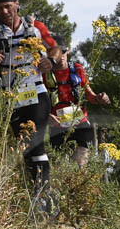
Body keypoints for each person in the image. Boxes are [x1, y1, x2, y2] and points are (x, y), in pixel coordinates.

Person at [0, 0, 55, 206]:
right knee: (25, 147)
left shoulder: (36, 26)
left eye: (8, 6)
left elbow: (56, 49)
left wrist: (50, 61)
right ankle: (39, 193)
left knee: (36, 143)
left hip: (37, 92)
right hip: (12, 95)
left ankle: (43, 196)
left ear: (17, 4)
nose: (4, 12)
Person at [43, 38, 110, 167]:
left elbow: (90, 95)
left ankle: (80, 178)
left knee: (80, 164)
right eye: (56, 53)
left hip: (80, 124)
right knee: (59, 166)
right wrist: (46, 116)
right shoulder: (44, 74)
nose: (61, 56)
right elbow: (39, 102)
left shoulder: (77, 69)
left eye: (63, 51)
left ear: (67, 51)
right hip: (57, 127)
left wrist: (100, 98)